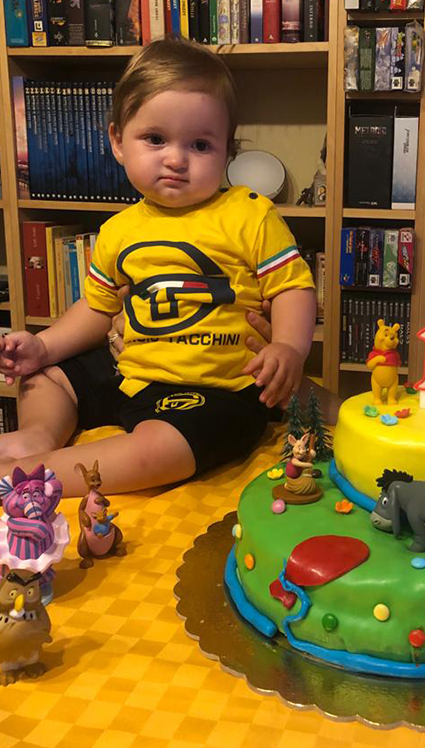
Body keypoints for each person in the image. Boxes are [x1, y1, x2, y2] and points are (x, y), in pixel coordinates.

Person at [0, 37, 318, 496]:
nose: (175, 158)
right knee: (46, 376)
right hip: (130, 373)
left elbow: (292, 287)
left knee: (164, 449)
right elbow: (98, 308)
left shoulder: (250, 213)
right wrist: (43, 347)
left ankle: (32, 475)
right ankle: (36, 437)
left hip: (216, 388)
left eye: (200, 145)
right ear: (117, 141)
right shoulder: (118, 229)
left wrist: (288, 346)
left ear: (227, 152)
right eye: (155, 139)